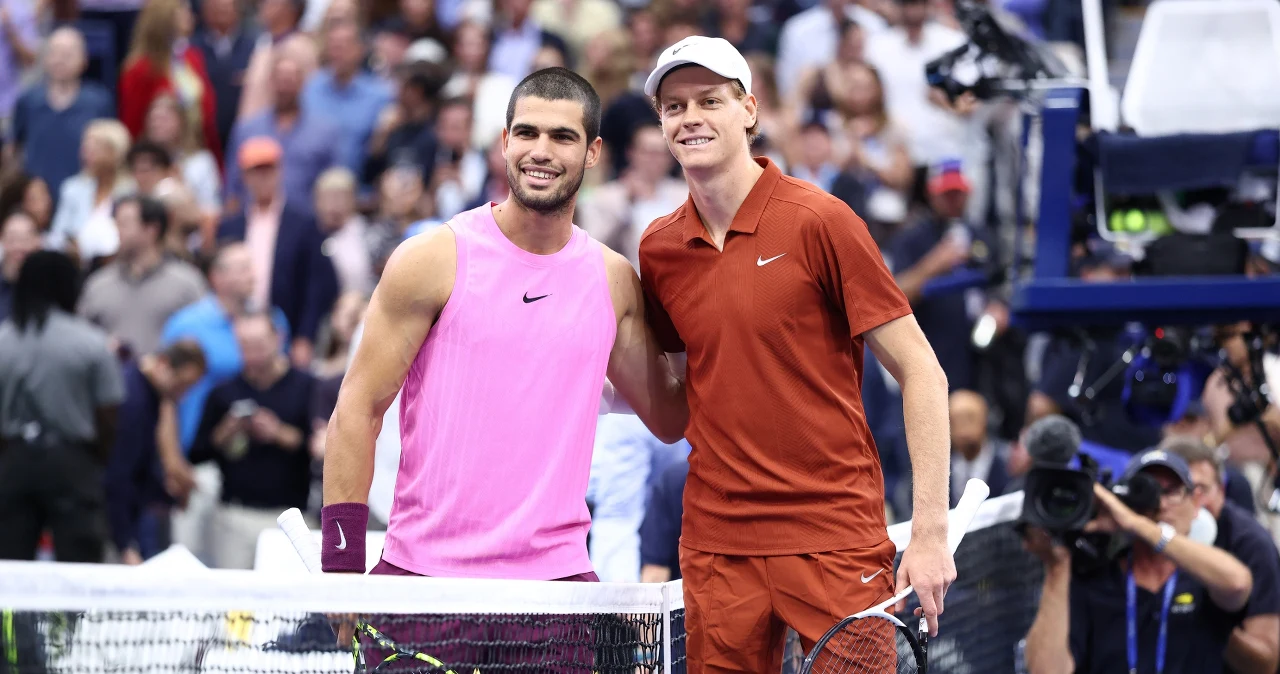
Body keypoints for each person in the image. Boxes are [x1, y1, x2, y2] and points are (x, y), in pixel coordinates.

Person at [321, 67, 689, 651]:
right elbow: (356, 411)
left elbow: (671, 420)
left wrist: (710, 308)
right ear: (504, 142)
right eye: (528, 133)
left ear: (593, 152)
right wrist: (340, 572)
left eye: (563, 137)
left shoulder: (612, 280)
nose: (541, 151)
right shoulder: (432, 258)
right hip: (424, 588)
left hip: (557, 595)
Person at [637, 36, 956, 673]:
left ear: (749, 110)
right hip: (717, 542)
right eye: (674, 107)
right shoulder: (659, 250)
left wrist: (928, 533)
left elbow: (922, 370)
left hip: (833, 534)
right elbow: (680, 402)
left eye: (709, 100)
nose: (690, 117)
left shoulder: (822, 220)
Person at [1022, 448, 1255, 674]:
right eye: (1145, 491)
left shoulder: (1204, 576)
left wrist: (1138, 525)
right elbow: (1046, 670)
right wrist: (1057, 566)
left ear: (1195, 504)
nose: (1160, 505)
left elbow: (1238, 583)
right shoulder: (1095, 580)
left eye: (1172, 491)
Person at [0, 250, 126, 562]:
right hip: (72, 460)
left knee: (10, 566)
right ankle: (73, 615)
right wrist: (95, 459)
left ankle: (8, 614)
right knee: (79, 564)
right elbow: (108, 414)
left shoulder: (3, 340)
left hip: (13, 459)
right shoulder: (91, 343)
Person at [1161, 436, 1280, 674]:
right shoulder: (1140, 536)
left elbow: (1265, 664)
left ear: (1222, 491)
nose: (1191, 504)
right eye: (1174, 491)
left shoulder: (1251, 544)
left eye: (1199, 490)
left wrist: (1212, 615)